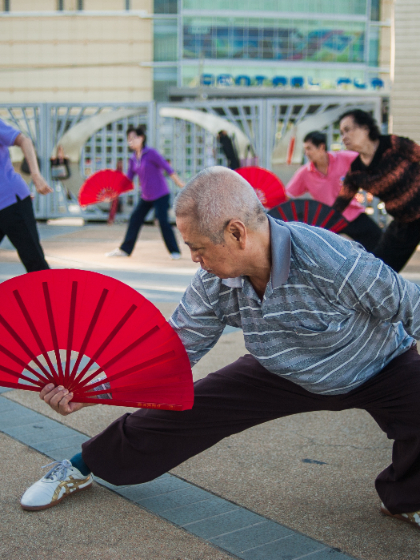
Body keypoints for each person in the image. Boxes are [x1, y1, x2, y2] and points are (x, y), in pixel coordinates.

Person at [20, 167, 420, 531]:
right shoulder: (211, 281)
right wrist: (93, 393)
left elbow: (410, 304)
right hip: (279, 371)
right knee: (181, 409)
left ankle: (405, 498)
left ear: (236, 233)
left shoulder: (332, 258)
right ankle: (80, 466)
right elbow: (172, 352)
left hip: (376, 364)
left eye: (198, 248)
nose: (194, 259)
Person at [333, 109, 420, 272]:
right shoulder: (356, 171)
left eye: (347, 130)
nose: (344, 137)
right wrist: (313, 230)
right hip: (404, 223)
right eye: (341, 133)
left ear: (365, 128)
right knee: (379, 271)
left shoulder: (393, 144)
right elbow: (338, 207)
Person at [286, 130, 382, 253]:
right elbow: (287, 195)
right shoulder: (304, 173)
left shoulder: (343, 158)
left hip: (352, 214)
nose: (306, 153)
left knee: (380, 241)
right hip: (328, 222)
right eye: (305, 149)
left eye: (309, 148)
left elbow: (366, 159)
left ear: (321, 147)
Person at [106, 125, 185, 260]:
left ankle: (175, 251)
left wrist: (181, 185)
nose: (130, 141)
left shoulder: (151, 153)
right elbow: (128, 179)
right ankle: (125, 249)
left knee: (162, 221)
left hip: (161, 194)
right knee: (135, 219)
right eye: (128, 139)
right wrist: (114, 192)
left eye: (133, 138)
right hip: (146, 197)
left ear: (141, 138)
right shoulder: (133, 159)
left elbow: (167, 168)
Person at [0, 119, 52, 272]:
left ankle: (56, 296)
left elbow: (24, 140)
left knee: (35, 263)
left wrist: (35, 175)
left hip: (11, 203)